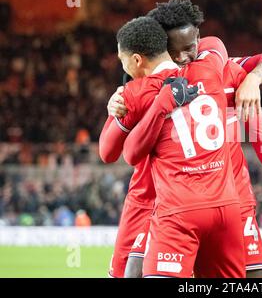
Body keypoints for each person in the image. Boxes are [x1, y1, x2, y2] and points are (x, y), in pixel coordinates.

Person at [108, 0, 262, 278]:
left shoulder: (223, 71)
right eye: (178, 52)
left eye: (191, 47)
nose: (187, 56)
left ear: (198, 37)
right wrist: (115, 110)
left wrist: (252, 79)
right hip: (159, 202)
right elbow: (111, 150)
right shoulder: (145, 85)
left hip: (229, 202)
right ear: (162, 48)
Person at [100, 16, 245, 277]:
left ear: (136, 60)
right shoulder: (211, 68)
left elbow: (111, 153)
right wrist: (254, 79)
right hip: (224, 206)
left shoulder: (136, 93)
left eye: (123, 60)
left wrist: (115, 108)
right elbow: (216, 44)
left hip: (174, 207)